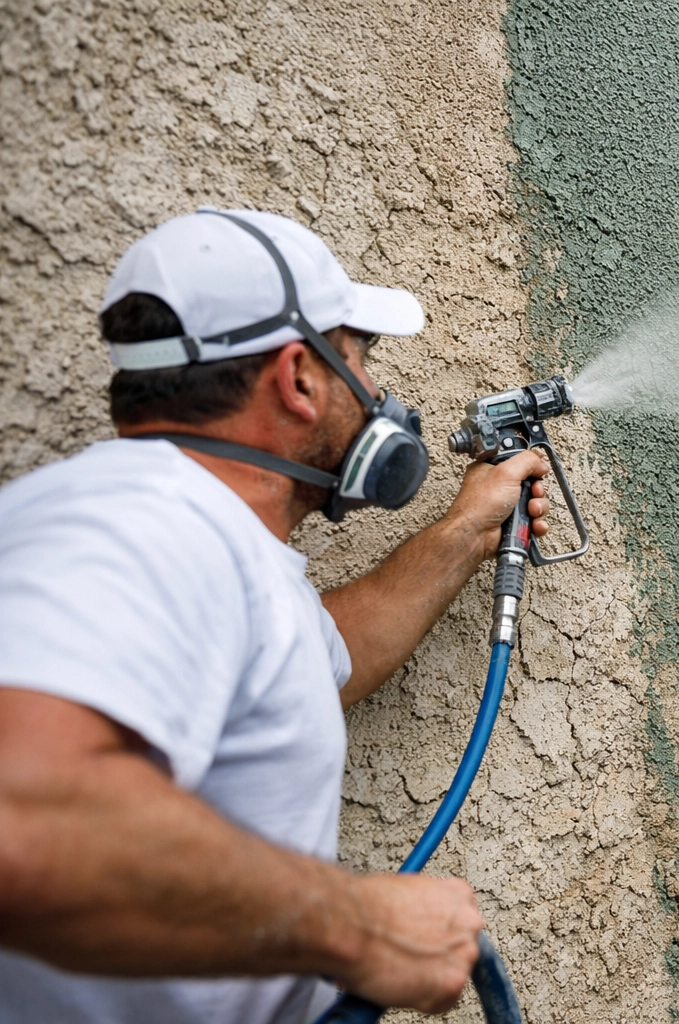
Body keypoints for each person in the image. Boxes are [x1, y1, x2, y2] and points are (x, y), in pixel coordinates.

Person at [0, 208, 551, 1023]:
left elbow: (317, 664)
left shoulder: (204, 540)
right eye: (361, 364)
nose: (378, 397)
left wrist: (468, 528)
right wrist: (362, 929)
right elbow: (22, 818)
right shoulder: (137, 523)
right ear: (299, 378)